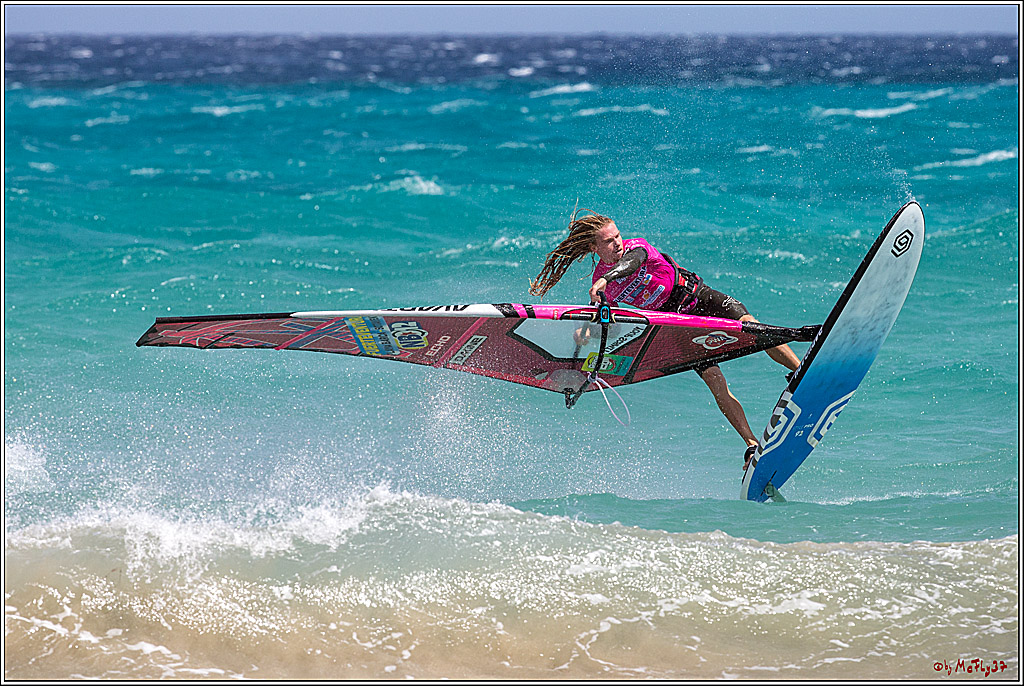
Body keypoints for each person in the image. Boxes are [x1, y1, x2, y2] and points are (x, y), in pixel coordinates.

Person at [529, 208, 801, 469]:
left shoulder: (637, 248)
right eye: (609, 242)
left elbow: (631, 262)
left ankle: (801, 372)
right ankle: (752, 445)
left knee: (754, 328)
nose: (617, 244)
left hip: (697, 297)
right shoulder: (603, 282)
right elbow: (607, 323)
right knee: (715, 381)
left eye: (617, 236)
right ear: (594, 249)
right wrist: (588, 332)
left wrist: (605, 280)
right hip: (678, 325)